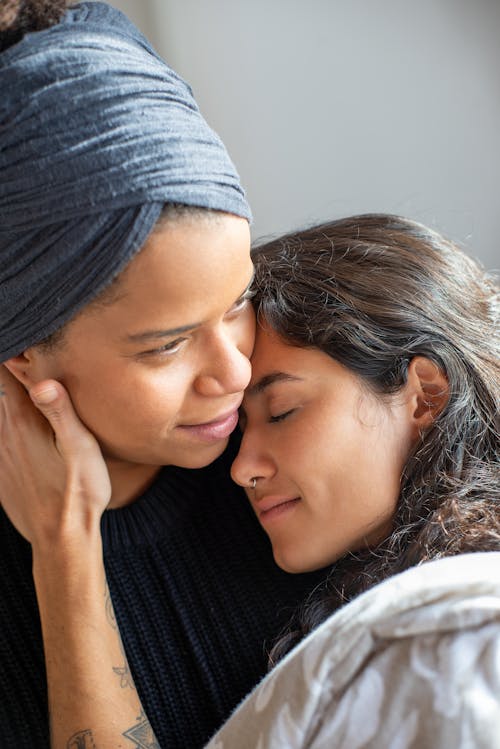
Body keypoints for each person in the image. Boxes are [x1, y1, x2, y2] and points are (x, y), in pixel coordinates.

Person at [1, 214, 499, 748]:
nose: (240, 468)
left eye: (282, 411)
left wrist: (65, 546)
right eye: (167, 344)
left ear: (425, 394)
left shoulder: (461, 630)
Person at [0, 3, 324, 747]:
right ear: (23, 353)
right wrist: (64, 549)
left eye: (239, 298)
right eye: (166, 345)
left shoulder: (309, 441)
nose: (236, 370)